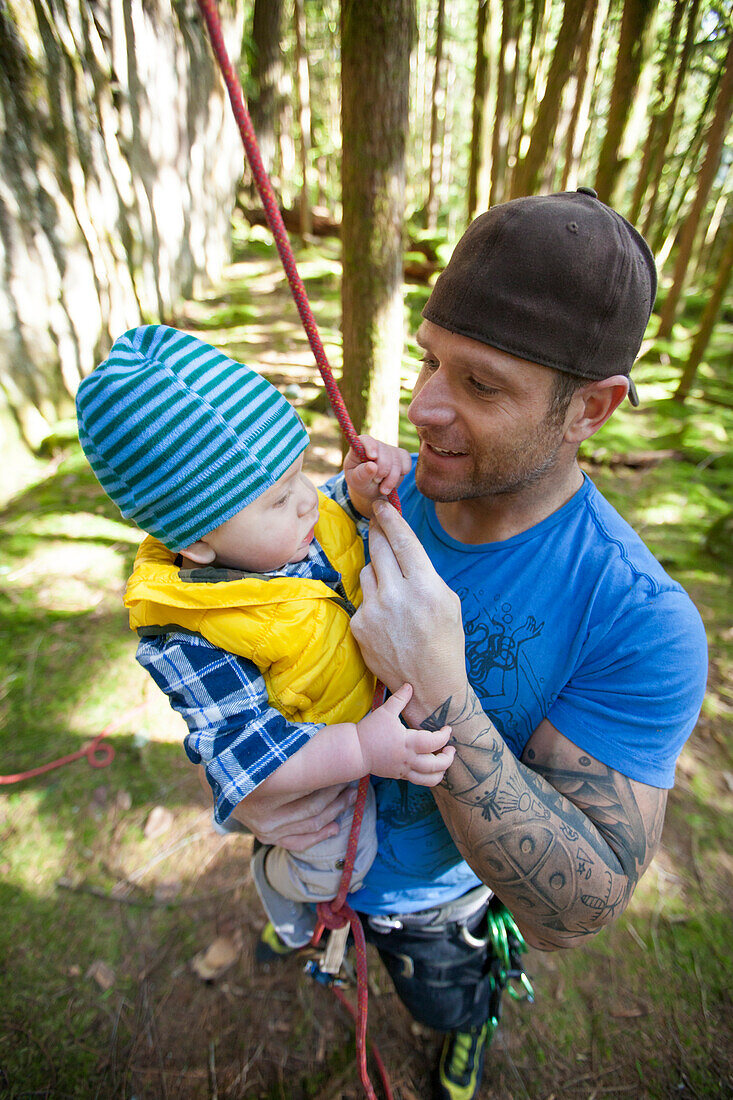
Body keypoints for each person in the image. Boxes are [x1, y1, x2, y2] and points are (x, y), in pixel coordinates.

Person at [233, 190, 708, 1100]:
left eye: (481, 385)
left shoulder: (636, 620)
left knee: (441, 999)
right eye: (429, 362)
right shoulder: (379, 498)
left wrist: (439, 690)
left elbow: (579, 905)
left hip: (432, 904)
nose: (421, 407)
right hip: (318, 856)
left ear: (591, 408)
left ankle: (464, 1032)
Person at [75, 324, 454, 949]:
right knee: (343, 862)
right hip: (315, 768)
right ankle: (281, 884)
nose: (308, 501)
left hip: (360, 724)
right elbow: (243, 759)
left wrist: (357, 496)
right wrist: (360, 750)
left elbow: (329, 510)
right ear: (197, 544)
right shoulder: (192, 633)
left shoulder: (286, 529)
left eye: (301, 472)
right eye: (279, 499)